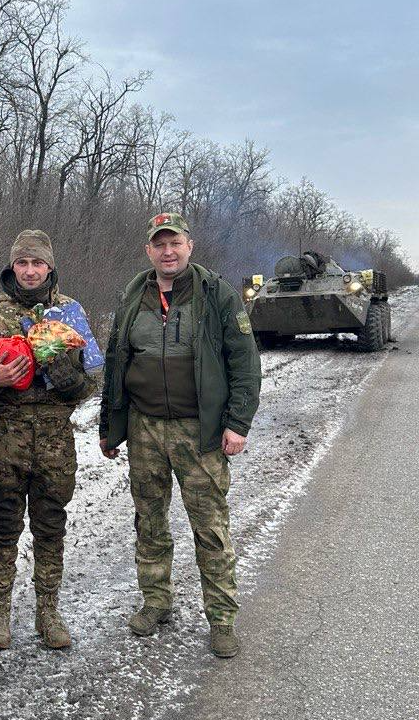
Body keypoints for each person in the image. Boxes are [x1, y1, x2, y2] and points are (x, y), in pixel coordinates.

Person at [99, 212, 261, 659]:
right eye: (159, 244)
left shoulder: (218, 295)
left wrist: (238, 422)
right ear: (149, 250)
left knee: (210, 527)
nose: (168, 252)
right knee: (149, 523)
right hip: (145, 427)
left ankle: (222, 618)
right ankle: (156, 601)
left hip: (200, 430)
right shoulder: (135, 293)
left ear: (190, 246)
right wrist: (110, 427)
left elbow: (245, 363)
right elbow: (117, 360)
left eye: (175, 244)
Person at [0, 230, 95, 650]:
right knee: (3, 524)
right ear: (12, 266)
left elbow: (89, 384)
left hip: (56, 437)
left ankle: (48, 610)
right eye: (22, 263)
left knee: (51, 524)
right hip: (6, 433)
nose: (29, 271)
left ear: (49, 267)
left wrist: (66, 375)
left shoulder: (70, 312)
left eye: (37, 263)